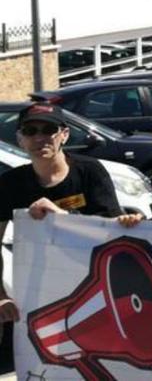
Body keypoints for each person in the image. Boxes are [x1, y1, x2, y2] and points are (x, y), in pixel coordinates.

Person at [0, 103, 121, 324]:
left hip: (93, 285)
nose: (39, 138)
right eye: (30, 131)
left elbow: (113, 230)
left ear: (64, 135)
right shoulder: (9, 184)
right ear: (20, 139)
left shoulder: (90, 172)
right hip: (35, 291)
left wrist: (62, 217)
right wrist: (1, 297)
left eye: (48, 130)